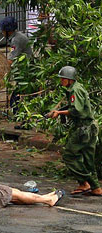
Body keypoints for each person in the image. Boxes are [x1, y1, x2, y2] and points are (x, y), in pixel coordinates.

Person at [49, 66, 102, 196]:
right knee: (87, 158)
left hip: (83, 129)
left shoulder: (74, 90)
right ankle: (94, 187)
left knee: (69, 155)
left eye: (63, 79)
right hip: (91, 127)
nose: (61, 81)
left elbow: (76, 110)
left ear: (69, 79)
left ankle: (87, 183)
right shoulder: (78, 87)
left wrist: (60, 112)